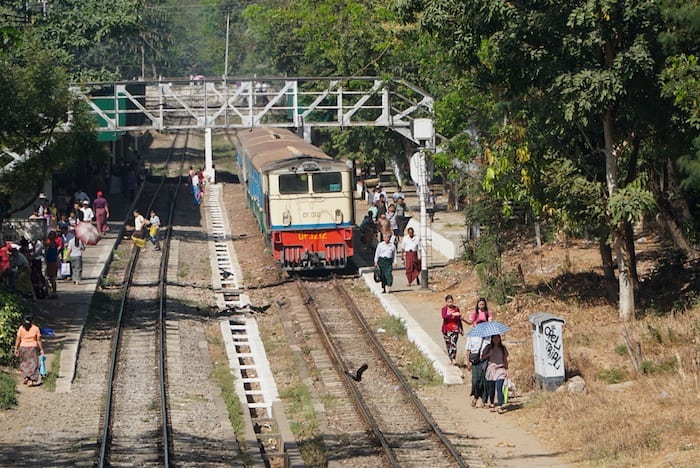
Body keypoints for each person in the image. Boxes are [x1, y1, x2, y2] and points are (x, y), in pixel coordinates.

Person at [14, 314, 44, 386]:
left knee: (24, 363)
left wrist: (16, 348)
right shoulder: (36, 328)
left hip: (23, 347)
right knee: (33, 364)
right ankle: (32, 379)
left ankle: (26, 377)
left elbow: (18, 339)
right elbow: (38, 340)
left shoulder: (21, 328)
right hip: (32, 348)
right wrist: (41, 349)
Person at [482, 334, 509, 413]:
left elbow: (505, 359)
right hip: (491, 370)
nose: (496, 339)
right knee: (491, 388)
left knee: (499, 388)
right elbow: (483, 357)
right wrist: (489, 354)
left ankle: (500, 405)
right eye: (494, 338)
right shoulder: (488, 347)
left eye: (498, 337)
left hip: (500, 370)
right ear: (492, 339)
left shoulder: (503, 348)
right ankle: (492, 403)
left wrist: (507, 370)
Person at [465, 334, 490, 407]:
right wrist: (467, 361)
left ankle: (484, 400)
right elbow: (468, 349)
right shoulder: (472, 335)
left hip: (485, 361)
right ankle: (476, 396)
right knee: (475, 381)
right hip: (475, 360)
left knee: (484, 381)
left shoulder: (489, 336)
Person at [441, 295, 464, 365]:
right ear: (446, 302)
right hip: (446, 329)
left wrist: (461, 328)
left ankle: (453, 358)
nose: (450, 303)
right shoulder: (444, 309)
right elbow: (444, 317)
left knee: (453, 343)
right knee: (448, 344)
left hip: (455, 329)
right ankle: (450, 358)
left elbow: (459, 319)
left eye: (451, 302)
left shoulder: (456, 308)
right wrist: (453, 314)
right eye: (448, 302)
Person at [44, 231, 59, 298]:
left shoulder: (52, 243)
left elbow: (45, 244)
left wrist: (44, 238)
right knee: (50, 277)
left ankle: (54, 292)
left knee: (52, 277)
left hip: (52, 262)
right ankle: (52, 291)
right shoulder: (53, 243)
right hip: (50, 261)